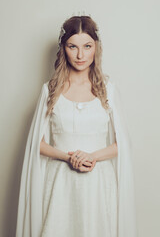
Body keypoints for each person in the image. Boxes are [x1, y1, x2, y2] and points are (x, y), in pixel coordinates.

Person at [15, 15, 138, 237]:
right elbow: (37, 143)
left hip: (98, 184)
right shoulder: (50, 90)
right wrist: (68, 157)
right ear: (63, 48)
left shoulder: (108, 90)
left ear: (96, 48)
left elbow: (122, 144)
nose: (80, 55)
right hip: (60, 183)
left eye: (87, 46)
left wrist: (92, 157)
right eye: (73, 46)